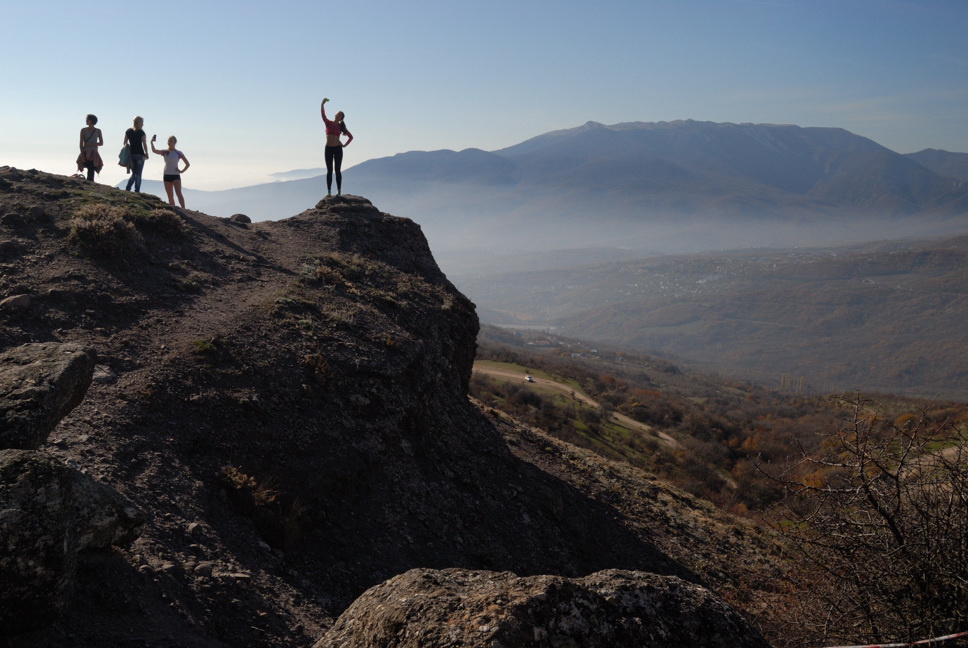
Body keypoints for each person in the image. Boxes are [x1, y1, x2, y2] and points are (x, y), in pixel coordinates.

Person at [320, 98, 353, 197]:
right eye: (337, 113)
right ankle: (329, 191)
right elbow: (323, 114)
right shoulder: (328, 123)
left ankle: (339, 191)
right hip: (328, 149)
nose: (336, 115)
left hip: (338, 149)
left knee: (337, 170)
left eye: (339, 115)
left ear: (341, 118)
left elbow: (351, 137)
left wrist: (344, 145)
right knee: (329, 170)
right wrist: (322, 104)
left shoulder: (341, 127)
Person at [150, 134, 190, 208]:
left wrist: (181, 171)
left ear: (175, 142)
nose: (169, 142)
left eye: (170, 141)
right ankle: (174, 211)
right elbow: (154, 151)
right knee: (170, 196)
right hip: (167, 175)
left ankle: (184, 210)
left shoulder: (179, 153)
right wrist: (151, 143)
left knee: (178, 193)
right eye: (168, 141)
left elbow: (187, 164)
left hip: (175, 175)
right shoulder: (165, 152)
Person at [123, 116, 149, 192]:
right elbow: (144, 143)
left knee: (134, 172)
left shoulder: (128, 131)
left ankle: (128, 188)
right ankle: (136, 190)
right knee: (138, 174)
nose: (143, 124)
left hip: (131, 154)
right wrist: (146, 153)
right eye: (142, 123)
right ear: (140, 123)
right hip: (140, 154)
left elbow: (124, 143)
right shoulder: (141, 132)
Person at [77, 114, 104, 181]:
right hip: (87, 151)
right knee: (90, 166)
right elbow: (80, 144)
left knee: (91, 167)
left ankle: (90, 181)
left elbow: (101, 143)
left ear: (91, 121)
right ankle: (90, 181)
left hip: (93, 152)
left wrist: (90, 144)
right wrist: (82, 154)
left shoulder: (98, 131)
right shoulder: (83, 130)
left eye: (87, 119)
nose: (86, 121)